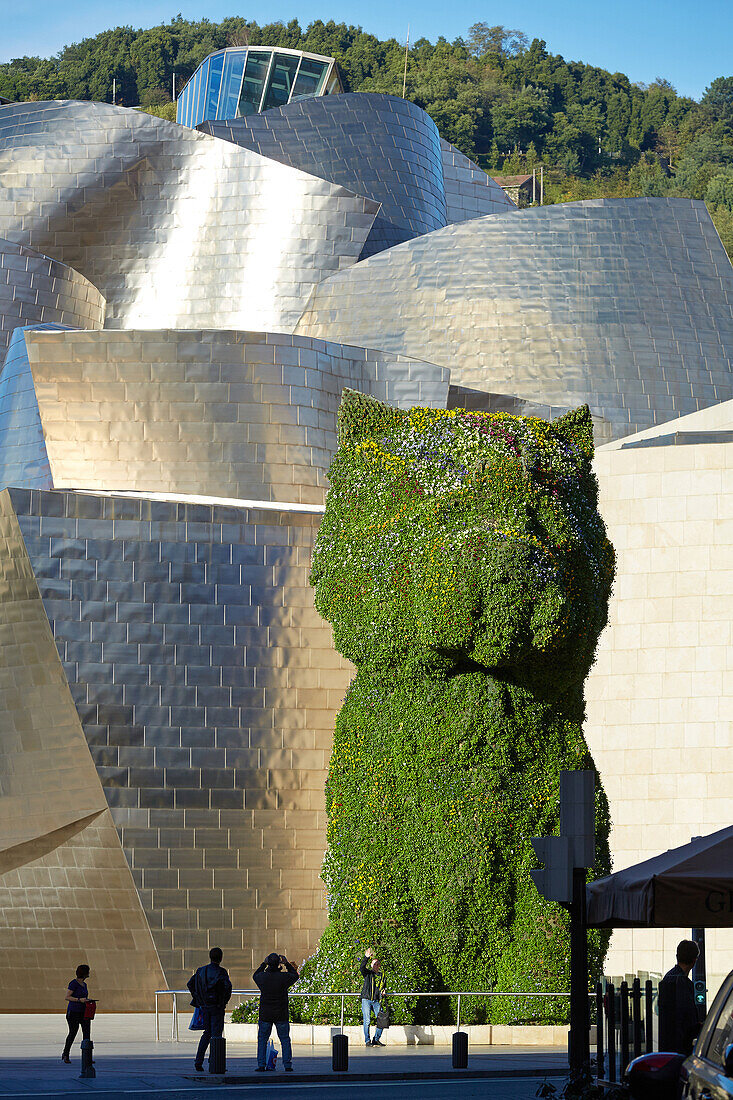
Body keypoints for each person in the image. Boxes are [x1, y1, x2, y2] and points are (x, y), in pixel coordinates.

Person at [187, 947, 233, 1073]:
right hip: (216, 1007)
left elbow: (190, 984)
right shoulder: (222, 972)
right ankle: (214, 1061)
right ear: (221, 958)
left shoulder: (201, 971)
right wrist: (223, 1002)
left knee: (207, 1033)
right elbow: (228, 988)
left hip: (205, 1006)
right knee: (216, 1035)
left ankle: (198, 1061)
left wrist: (198, 998)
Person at [253, 952, 299, 1072]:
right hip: (281, 1013)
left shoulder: (262, 978)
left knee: (262, 1039)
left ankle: (261, 1064)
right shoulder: (284, 978)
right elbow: (295, 976)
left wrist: (263, 964)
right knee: (285, 1039)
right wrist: (287, 964)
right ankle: (287, 1064)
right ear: (279, 963)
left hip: (265, 1014)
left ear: (268, 963)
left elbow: (255, 975)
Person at [658, 939, 701, 1055]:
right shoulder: (681, 982)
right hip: (681, 1047)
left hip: (669, 1045)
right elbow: (688, 1018)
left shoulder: (669, 977)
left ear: (677, 956)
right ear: (694, 960)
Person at [62, 964, 93, 1063]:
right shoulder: (73, 983)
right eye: (88, 971)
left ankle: (87, 1057)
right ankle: (66, 1054)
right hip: (74, 1012)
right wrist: (79, 1000)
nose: (89, 973)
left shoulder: (85, 985)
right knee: (72, 1033)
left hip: (84, 1012)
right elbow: (67, 997)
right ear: (84, 973)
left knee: (87, 1034)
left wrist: (87, 1000)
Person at [360, 948, 386, 1048]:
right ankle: (367, 1041)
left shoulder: (382, 975)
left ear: (379, 966)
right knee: (367, 1020)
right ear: (371, 965)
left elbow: (383, 986)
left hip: (376, 1001)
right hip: (366, 999)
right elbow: (362, 967)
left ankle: (376, 1039)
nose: (376, 966)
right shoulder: (368, 974)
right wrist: (366, 957)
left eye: (377, 964)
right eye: (374, 964)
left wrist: (384, 990)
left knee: (382, 1019)